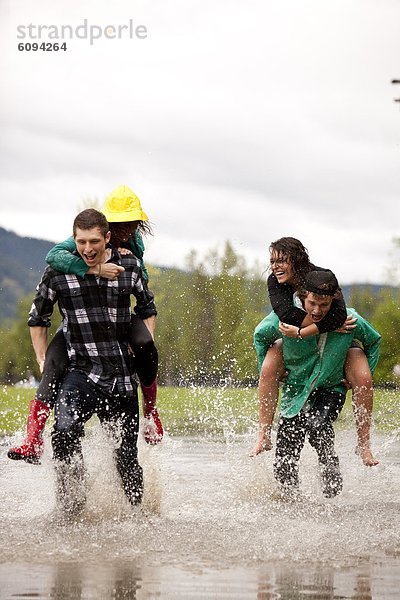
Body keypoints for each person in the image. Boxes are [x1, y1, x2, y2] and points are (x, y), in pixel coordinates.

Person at [8, 185, 162, 465]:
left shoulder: (133, 245)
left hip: (120, 322)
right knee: (52, 364)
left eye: (131, 224)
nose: (127, 230)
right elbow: (53, 258)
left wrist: (128, 269)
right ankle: (33, 438)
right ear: (109, 224)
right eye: (121, 224)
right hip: (79, 331)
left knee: (145, 345)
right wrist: (95, 269)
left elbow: (143, 288)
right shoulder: (71, 250)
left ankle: (151, 411)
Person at [27, 208, 157, 515]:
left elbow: (147, 307)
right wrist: (42, 357)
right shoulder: (57, 273)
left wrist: (143, 345)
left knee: (126, 458)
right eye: (82, 241)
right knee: (64, 431)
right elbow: (38, 318)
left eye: (94, 241)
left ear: (107, 237)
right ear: (74, 240)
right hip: (80, 374)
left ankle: (140, 516)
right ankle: (71, 509)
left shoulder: (129, 265)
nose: (88, 249)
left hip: (122, 377)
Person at [253, 270, 381, 498]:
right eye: (312, 303)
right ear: (303, 297)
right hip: (295, 393)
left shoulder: (348, 319)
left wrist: (356, 376)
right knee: (284, 460)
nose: (317, 310)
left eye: (324, 305)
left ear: (334, 300)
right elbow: (260, 336)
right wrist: (273, 370)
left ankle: (330, 473)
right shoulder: (286, 318)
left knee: (317, 424)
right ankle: (290, 503)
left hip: (331, 389)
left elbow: (374, 341)